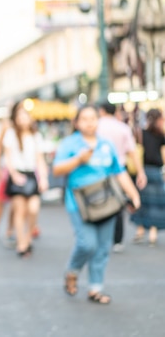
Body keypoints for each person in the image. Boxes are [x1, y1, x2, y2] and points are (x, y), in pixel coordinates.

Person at [53, 105, 141, 305]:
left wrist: (133, 194)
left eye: (93, 118)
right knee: (87, 243)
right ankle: (72, 271)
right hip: (79, 203)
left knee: (102, 247)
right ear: (76, 122)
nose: (89, 122)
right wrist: (78, 160)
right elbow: (57, 170)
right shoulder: (70, 144)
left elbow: (119, 172)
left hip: (107, 202)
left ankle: (95, 288)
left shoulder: (106, 144)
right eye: (84, 119)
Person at [97, 101, 147, 252]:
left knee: (99, 201)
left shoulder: (96, 126)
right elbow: (133, 151)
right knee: (118, 204)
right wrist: (140, 172)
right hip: (120, 169)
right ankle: (117, 240)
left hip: (100, 169)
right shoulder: (123, 128)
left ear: (101, 110)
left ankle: (101, 238)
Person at [2, 101, 48, 257]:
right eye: (19, 117)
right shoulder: (11, 134)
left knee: (34, 208)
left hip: (31, 175)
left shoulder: (36, 135)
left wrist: (43, 178)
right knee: (19, 211)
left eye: (25, 116)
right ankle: (22, 242)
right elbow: (8, 158)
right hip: (17, 174)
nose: (22, 120)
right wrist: (14, 175)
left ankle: (28, 238)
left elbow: (40, 159)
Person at [131, 108, 165, 246]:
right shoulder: (161, 135)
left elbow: (135, 153)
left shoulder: (140, 134)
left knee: (143, 202)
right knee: (155, 204)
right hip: (156, 172)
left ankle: (140, 231)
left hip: (142, 172)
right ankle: (153, 233)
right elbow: (163, 156)